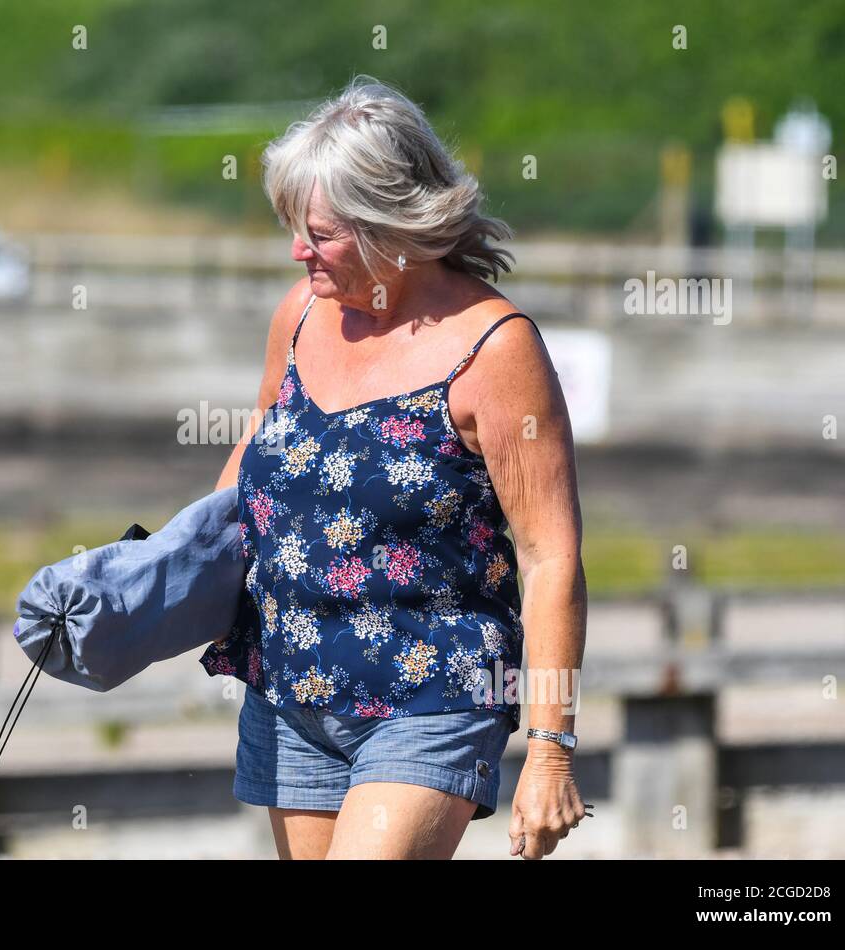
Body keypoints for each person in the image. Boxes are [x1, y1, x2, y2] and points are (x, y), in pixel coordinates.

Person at [199, 75, 589, 859]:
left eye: (319, 234)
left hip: (435, 692)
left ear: (390, 226)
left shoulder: (495, 349)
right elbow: (254, 460)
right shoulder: (300, 316)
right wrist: (158, 574)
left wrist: (551, 749)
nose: (298, 250)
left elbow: (550, 557)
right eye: (294, 228)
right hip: (290, 689)